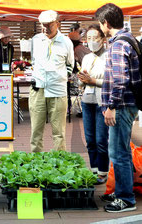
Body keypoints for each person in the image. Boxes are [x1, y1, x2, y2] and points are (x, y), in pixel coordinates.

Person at [95, 3, 140, 213]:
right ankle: (123, 190)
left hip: (121, 106)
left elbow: (120, 80)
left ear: (106, 23)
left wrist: (111, 106)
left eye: (100, 23)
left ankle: (126, 198)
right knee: (120, 151)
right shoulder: (128, 39)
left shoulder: (118, 44)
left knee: (119, 152)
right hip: (126, 104)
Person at [29, 10, 74, 152]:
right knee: (36, 131)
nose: (46, 28)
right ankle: (35, 164)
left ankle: (58, 164)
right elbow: (33, 61)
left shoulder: (66, 42)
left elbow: (70, 65)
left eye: (49, 25)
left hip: (58, 90)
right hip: (38, 89)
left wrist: (59, 78)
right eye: (43, 25)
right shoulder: (36, 40)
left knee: (59, 133)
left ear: (58, 24)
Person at [77, 24, 109, 184]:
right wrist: (81, 79)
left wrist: (93, 81)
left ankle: (103, 172)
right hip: (87, 101)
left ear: (103, 39)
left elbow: (111, 82)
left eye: (94, 38)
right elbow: (82, 83)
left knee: (101, 140)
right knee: (90, 140)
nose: (91, 41)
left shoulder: (109, 56)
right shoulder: (87, 57)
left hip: (102, 103)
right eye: (88, 38)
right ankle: (94, 170)